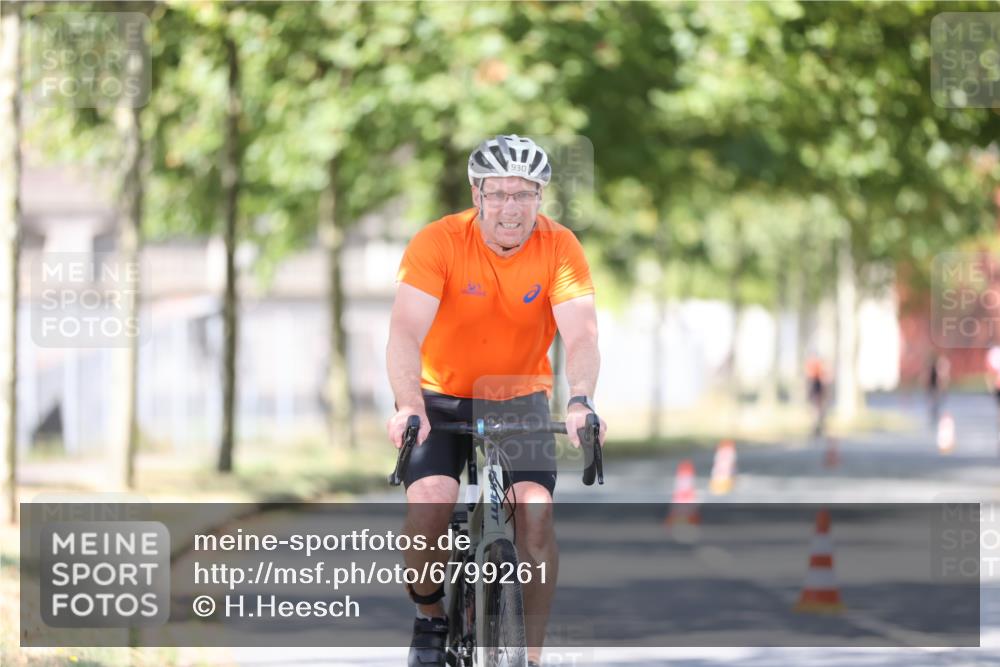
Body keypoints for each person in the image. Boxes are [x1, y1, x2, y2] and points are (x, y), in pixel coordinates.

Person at [386, 134, 608, 667]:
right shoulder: (438, 242)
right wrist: (408, 402)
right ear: (477, 193)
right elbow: (404, 332)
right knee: (430, 501)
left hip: (516, 395)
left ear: (541, 197)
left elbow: (580, 335)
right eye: (500, 193)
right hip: (439, 395)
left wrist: (580, 400)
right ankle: (430, 615)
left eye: (525, 194)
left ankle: (529, 655)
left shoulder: (560, 247)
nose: (512, 207)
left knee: (535, 512)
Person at [805, 355, 828, 438]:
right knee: (816, 409)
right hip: (815, 386)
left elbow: (822, 378)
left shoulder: (816, 366)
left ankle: (817, 427)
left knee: (817, 409)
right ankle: (816, 427)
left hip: (816, 386)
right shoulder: (814, 367)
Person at [926, 353, 950, 428]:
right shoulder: (933, 369)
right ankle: (934, 414)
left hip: (934, 388)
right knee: (934, 402)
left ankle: (935, 414)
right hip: (933, 388)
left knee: (936, 402)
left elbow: (938, 379)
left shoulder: (935, 369)